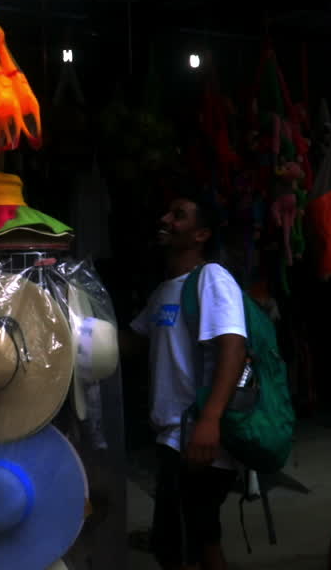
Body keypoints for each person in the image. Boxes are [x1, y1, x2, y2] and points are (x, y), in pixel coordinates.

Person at [131, 193, 248, 570]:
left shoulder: (211, 279)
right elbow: (127, 341)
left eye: (178, 215)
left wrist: (210, 421)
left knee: (199, 539)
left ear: (201, 234)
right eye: (168, 211)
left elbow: (234, 346)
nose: (166, 218)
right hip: (172, 436)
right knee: (177, 542)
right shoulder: (165, 291)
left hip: (199, 437)